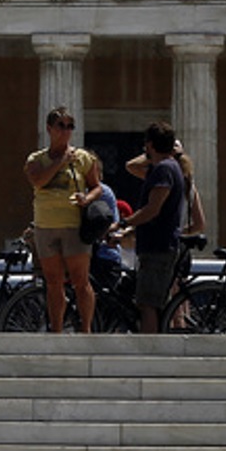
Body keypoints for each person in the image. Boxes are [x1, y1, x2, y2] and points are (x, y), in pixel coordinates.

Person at [22, 106, 107, 333]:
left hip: (73, 226)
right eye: (61, 126)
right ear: (49, 129)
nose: (66, 131)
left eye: (70, 126)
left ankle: (86, 329)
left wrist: (87, 198)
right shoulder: (36, 159)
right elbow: (38, 181)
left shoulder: (84, 158)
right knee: (53, 282)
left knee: (81, 280)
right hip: (45, 225)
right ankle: (57, 330)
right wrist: (59, 162)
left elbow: (97, 187)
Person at [113, 122, 204, 333]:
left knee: (148, 305)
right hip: (160, 243)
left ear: (150, 144)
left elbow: (153, 210)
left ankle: (151, 351)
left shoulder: (164, 169)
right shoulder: (172, 169)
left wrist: (125, 222)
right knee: (157, 303)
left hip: (158, 246)